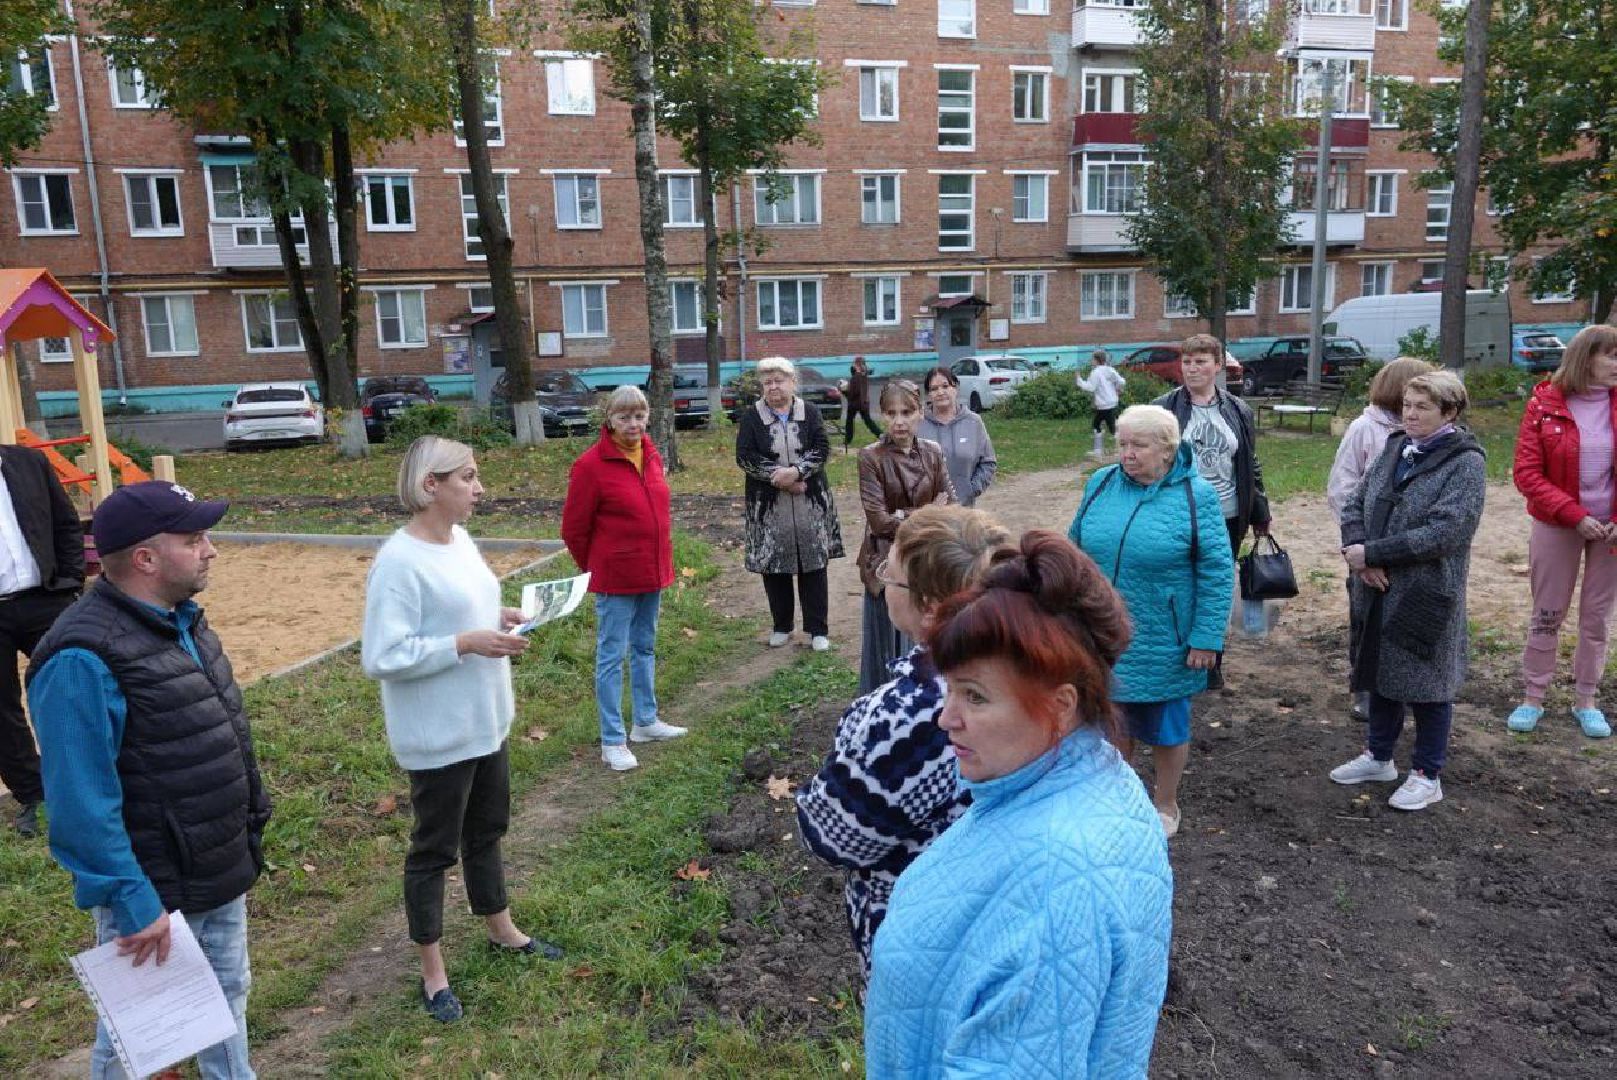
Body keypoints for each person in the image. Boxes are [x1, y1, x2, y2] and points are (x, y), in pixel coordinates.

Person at [864, 532, 1171, 1077]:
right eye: (950, 689)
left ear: (1061, 706)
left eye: (975, 696)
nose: (946, 718)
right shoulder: (1082, 779)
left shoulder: (1057, 873)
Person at [28, 480, 270, 1077]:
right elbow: (81, 802)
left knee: (225, 998)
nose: (210, 549)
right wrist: (132, 899)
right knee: (141, 1040)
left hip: (213, 863)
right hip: (155, 890)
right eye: (193, 539)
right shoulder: (83, 657)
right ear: (145, 558)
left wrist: (247, 823)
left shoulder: (178, 620)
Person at [363, 438, 562, 1023]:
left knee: (488, 829)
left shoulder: (462, 541)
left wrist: (495, 619)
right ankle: (432, 971)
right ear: (431, 485)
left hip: (486, 719)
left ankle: (501, 927)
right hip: (438, 733)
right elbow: (382, 654)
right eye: (468, 478)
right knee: (434, 849)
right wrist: (464, 642)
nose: (479, 489)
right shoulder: (398, 562)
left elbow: (464, 608)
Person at [795, 505, 1012, 985]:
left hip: (920, 934)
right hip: (999, 919)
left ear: (931, 604)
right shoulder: (1020, 669)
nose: (879, 580)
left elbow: (831, 835)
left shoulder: (912, 712)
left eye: (888, 576)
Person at [1069, 405, 1235, 838]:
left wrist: (1206, 636)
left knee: (1166, 727)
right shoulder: (1100, 483)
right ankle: (1119, 799)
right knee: (1111, 719)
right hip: (1102, 635)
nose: (1127, 454)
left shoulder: (1195, 496)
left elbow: (1217, 569)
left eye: (1138, 445)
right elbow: (1073, 552)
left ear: (1167, 449)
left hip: (1166, 637)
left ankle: (1165, 802)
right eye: (1122, 444)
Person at [1332, 371, 1486, 811]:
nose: (1411, 414)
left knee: (1429, 682)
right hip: (1375, 584)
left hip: (1426, 591)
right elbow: (1354, 503)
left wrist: (1375, 553)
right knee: (1380, 672)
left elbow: (1447, 532)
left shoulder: (1466, 463)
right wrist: (1359, 554)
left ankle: (1427, 773)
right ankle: (1379, 756)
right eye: (1407, 405)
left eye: (1422, 407)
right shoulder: (1396, 447)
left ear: (1450, 412)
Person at [562, 386, 687, 771]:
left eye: (639, 415)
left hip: (652, 569)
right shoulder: (590, 466)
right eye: (624, 417)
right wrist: (595, 566)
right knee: (611, 656)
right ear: (610, 420)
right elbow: (574, 529)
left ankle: (645, 722)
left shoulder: (651, 454)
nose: (633, 424)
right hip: (615, 576)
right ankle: (612, 739)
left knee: (645, 647)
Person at [1508, 324, 1617, 738]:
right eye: (1612, 356)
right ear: (1586, 358)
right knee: (1548, 611)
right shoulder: (1544, 403)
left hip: (1610, 530)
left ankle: (1586, 700)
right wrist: (1574, 515)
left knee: (1596, 616)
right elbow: (1527, 473)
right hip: (1558, 522)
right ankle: (1533, 696)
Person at [1326, 357, 1435, 719]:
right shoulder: (1365, 428)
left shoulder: (1423, 434)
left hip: (1406, 548)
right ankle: (1365, 689)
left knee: (1402, 618)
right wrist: (1361, 547)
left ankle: (1398, 687)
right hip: (1365, 544)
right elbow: (1342, 488)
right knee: (1365, 618)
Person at [0, 442, 85, 837]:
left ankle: (90, 776)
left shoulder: (29, 462)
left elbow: (66, 523)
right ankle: (34, 794)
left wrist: (71, 582)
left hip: (44, 599)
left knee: (75, 688)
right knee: (2, 711)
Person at [736, 357, 845, 652]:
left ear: (792, 382)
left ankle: (818, 629)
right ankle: (782, 626)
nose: (773, 387)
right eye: (768, 382)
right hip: (768, 505)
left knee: (813, 563)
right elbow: (744, 455)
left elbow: (822, 448)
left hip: (810, 499)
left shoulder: (809, 412)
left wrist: (797, 472)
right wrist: (778, 477)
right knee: (775, 565)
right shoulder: (751, 416)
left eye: (779, 380)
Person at [856, 379, 955, 693]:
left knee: (926, 636)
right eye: (891, 413)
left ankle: (920, 703)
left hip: (926, 559)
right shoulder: (871, 457)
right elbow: (879, 520)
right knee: (889, 644)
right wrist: (928, 512)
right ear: (882, 416)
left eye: (907, 412)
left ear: (920, 414)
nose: (899, 421)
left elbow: (952, 505)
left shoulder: (933, 452)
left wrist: (906, 514)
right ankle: (885, 707)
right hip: (887, 561)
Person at [1155, 333, 1271, 555]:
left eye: (1200, 362)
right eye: (1186, 362)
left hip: (1228, 515)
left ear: (1218, 365)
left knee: (1220, 581)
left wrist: (1261, 512)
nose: (1191, 368)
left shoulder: (1239, 410)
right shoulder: (1163, 409)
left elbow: (1249, 463)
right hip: (1180, 515)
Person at [916, 366, 997, 507]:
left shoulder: (973, 422)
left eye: (945, 386)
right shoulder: (918, 423)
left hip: (963, 509)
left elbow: (988, 462)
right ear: (929, 394)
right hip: (927, 510)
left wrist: (971, 490)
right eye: (934, 389)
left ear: (955, 388)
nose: (940, 392)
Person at [1077, 349, 1127, 458]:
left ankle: (1110, 451)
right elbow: (1121, 381)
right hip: (1113, 402)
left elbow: (1091, 387)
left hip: (1103, 405)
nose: (1091, 361)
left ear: (1097, 360)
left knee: (1102, 426)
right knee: (1108, 426)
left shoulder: (1096, 372)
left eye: (1092, 359)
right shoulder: (1110, 369)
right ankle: (1104, 451)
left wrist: (1079, 380)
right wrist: (1118, 389)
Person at [843, 355, 882, 448]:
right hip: (864, 403)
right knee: (868, 421)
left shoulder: (856, 377)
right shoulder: (864, 375)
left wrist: (844, 391)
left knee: (849, 422)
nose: (853, 365)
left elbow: (853, 392)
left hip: (855, 403)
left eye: (854, 364)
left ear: (857, 364)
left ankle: (848, 440)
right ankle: (881, 434)